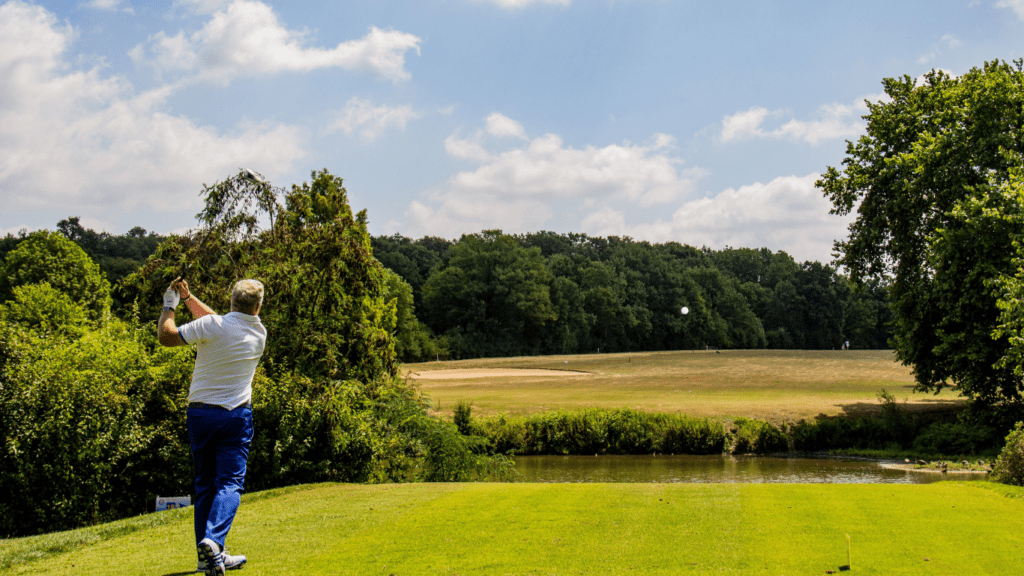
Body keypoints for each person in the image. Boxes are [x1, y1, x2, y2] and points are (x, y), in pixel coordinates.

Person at [158, 277, 267, 576]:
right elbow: (218, 322)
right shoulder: (259, 332)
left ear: (231, 300)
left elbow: (167, 336)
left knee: (205, 485)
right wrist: (189, 297)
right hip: (236, 417)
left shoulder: (213, 327)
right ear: (257, 306)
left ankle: (207, 556)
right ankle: (214, 542)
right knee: (230, 483)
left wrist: (171, 304)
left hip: (201, 415)